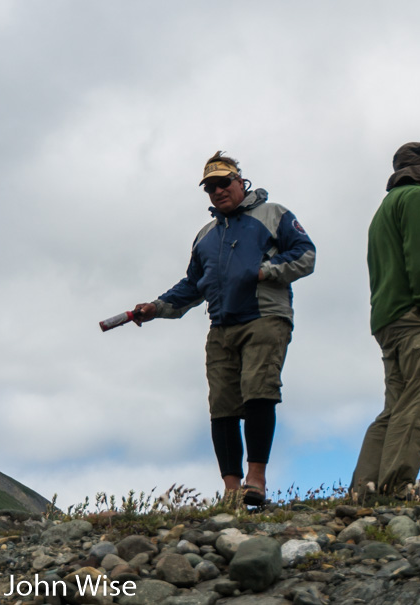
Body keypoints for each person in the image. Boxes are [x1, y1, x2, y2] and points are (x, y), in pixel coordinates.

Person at [131, 151, 316, 505]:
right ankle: (232, 492)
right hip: (221, 326)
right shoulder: (205, 236)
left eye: (223, 183)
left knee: (259, 392)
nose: (217, 191)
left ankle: (255, 480)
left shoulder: (273, 214)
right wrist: (155, 308)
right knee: (223, 407)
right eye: (210, 187)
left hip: (265, 318)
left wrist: (266, 271)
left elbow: (305, 254)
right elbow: (191, 286)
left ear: (240, 181)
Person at [350, 142, 420, 500]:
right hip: (416, 315)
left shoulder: (383, 209)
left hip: (387, 319)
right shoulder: (418, 200)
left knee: (395, 406)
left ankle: (365, 488)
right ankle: (397, 485)